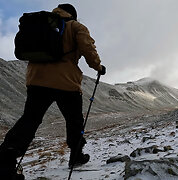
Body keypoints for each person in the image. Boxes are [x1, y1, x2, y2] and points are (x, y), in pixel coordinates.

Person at [0, 3, 106, 179]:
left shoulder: (43, 24)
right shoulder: (76, 26)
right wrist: (98, 66)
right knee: (74, 120)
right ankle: (76, 156)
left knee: (30, 119)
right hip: (66, 82)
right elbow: (88, 49)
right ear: (73, 15)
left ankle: (6, 160)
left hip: (36, 80)